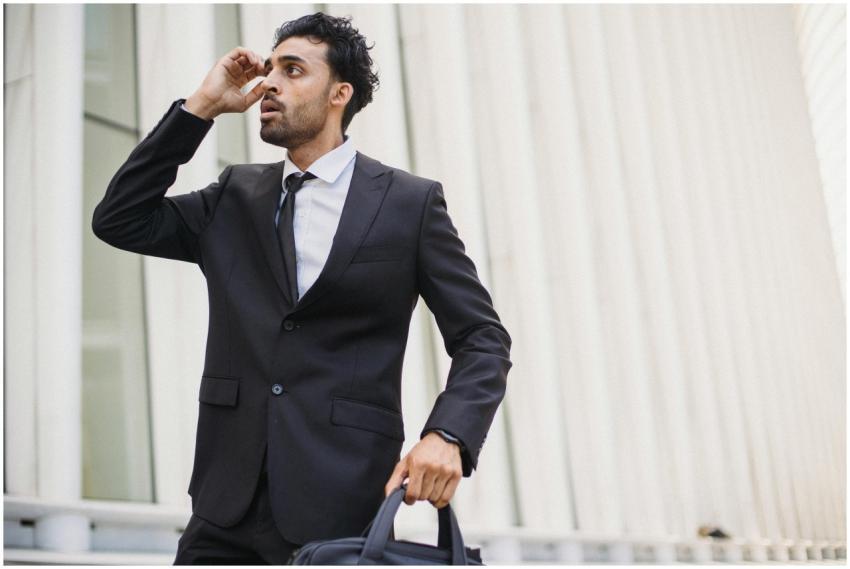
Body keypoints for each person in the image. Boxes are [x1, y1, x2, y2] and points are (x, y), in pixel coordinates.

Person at [92, 11, 512, 565]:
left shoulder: (409, 205)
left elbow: (483, 338)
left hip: (342, 508)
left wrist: (449, 435)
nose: (269, 84)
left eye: (293, 71)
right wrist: (202, 107)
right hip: (223, 510)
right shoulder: (233, 196)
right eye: (271, 70)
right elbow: (119, 219)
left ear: (340, 93)